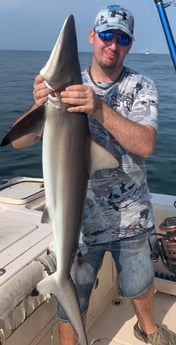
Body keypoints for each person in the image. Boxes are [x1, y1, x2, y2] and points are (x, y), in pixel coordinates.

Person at [12, 4, 176, 345]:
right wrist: (39, 104)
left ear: (129, 44)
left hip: (132, 216)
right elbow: (20, 142)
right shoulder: (68, 88)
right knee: (75, 294)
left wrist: (98, 108)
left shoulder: (141, 86)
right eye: (106, 35)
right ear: (93, 37)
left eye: (122, 38)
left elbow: (145, 145)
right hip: (80, 224)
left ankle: (147, 328)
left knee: (140, 284)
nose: (112, 44)